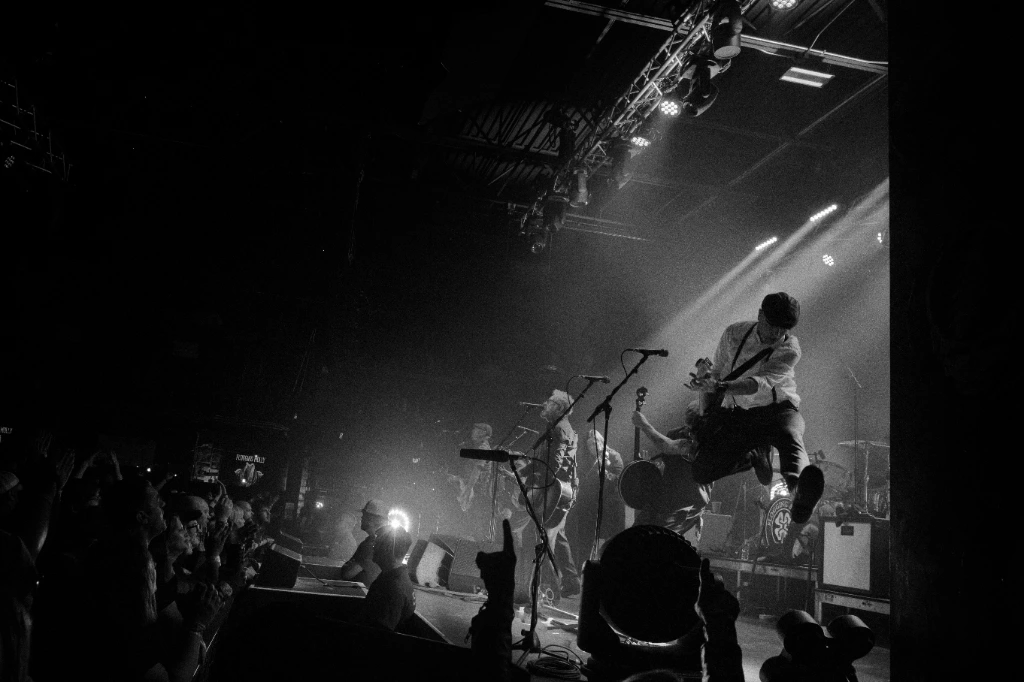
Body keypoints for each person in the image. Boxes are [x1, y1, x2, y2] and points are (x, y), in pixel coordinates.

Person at [633, 293, 824, 525]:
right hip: (741, 414)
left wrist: (720, 386)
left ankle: (800, 490)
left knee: (791, 437)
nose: (776, 333)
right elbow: (716, 374)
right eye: (772, 325)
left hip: (778, 409)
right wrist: (705, 383)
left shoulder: (790, 348)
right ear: (760, 315)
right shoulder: (734, 333)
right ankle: (753, 455)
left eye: (783, 329)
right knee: (702, 471)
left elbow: (758, 383)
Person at [512, 389, 581, 603]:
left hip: (555, 490)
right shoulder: (561, 427)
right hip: (561, 489)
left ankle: (546, 591)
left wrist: (532, 477)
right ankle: (570, 582)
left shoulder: (559, 429)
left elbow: (553, 466)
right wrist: (523, 470)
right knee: (556, 537)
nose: (545, 403)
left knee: (543, 539)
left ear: (559, 408)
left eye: (550, 402)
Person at [576, 429, 625, 563]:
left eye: (595, 443)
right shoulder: (586, 458)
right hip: (590, 507)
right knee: (586, 542)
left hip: (610, 506)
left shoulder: (614, 456)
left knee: (610, 543)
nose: (593, 447)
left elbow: (619, 480)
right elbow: (582, 478)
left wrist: (604, 473)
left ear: (602, 442)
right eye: (590, 444)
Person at [358, 525, 416, 631]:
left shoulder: (392, 588)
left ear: (388, 549)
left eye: (376, 544)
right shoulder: (395, 576)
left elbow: (379, 634)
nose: (373, 548)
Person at [339, 499, 388, 586]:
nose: (361, 518)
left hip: (361, 593)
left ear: (372, 519)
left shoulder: (370, 546)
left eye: (364, 515)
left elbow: (347, 574)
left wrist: (348, 566)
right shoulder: (378, 542)